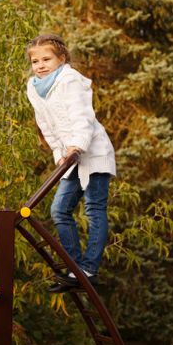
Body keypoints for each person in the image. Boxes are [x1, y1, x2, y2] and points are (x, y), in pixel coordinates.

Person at [26, 34, 116, 292]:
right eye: (35, 61)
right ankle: (74, 267)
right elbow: (46, 125)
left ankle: (89, 268)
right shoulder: (34, 87)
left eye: (46, 59)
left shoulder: (70, 80)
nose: (40, 65)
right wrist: (60, 153)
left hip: (92, 151)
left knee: (93, 209)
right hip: (70, 158)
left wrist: (77, 146)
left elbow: (82, 116)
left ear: (61, 59)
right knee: (59, 210)